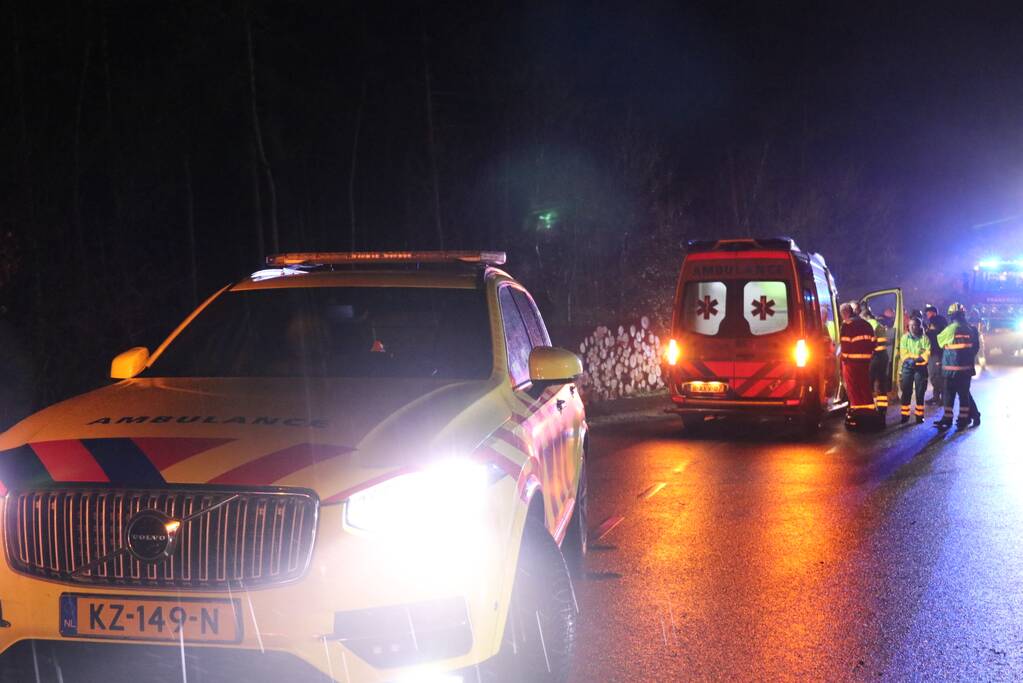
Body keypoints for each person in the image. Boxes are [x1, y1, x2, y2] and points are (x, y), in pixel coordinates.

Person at [934, 302, 980, 430]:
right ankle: (964, 419)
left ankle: (947, 419)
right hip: (966, 370)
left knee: (948, 396)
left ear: (952, 316)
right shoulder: (972, 329)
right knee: (964, 396)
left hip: (950, 370)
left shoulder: (951, 329)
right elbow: (975, 348)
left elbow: (939, 342)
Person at [840, 302, 877, 428]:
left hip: (851, 362)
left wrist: (843, 359)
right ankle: (870, 413)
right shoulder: (866, 324)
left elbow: (845, 344)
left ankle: (857, 415)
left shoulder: (847, 325)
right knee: (865, 387)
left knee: (853, 389)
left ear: (845, 313)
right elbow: (873, 342)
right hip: (865, 361)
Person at [861, 304, 892, 418]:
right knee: (881, 383)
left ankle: (869, 408)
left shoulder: (870, 325)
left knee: (869, 382)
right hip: (883, 356)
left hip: (875, 356)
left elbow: (870, 342)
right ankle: (882, 409)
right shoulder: (878, 324)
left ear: (865, 316)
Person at [898, 317, 930, 424]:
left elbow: (926, 354)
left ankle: (919, 416)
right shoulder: (904, 338)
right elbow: (903, 353)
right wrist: (915, 358)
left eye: (914, 325)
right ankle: (904, 415)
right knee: (906, 391)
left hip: (920, 369)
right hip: (907, 367)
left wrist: (914, 359)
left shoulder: (924, 338)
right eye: (910, 325)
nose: (912, 327)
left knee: (920, 393)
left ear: (919, 326)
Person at [923, 305, 947, 405]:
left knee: (936, 375)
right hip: (934, 352)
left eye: (928, 312)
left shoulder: (937, 320)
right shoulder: (934, 321)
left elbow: (934, 335)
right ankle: (936, 397)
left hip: (937, 352)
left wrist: (927, 331)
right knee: (935, 375)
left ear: (933, 312)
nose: (927, 314)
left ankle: (942, 398)